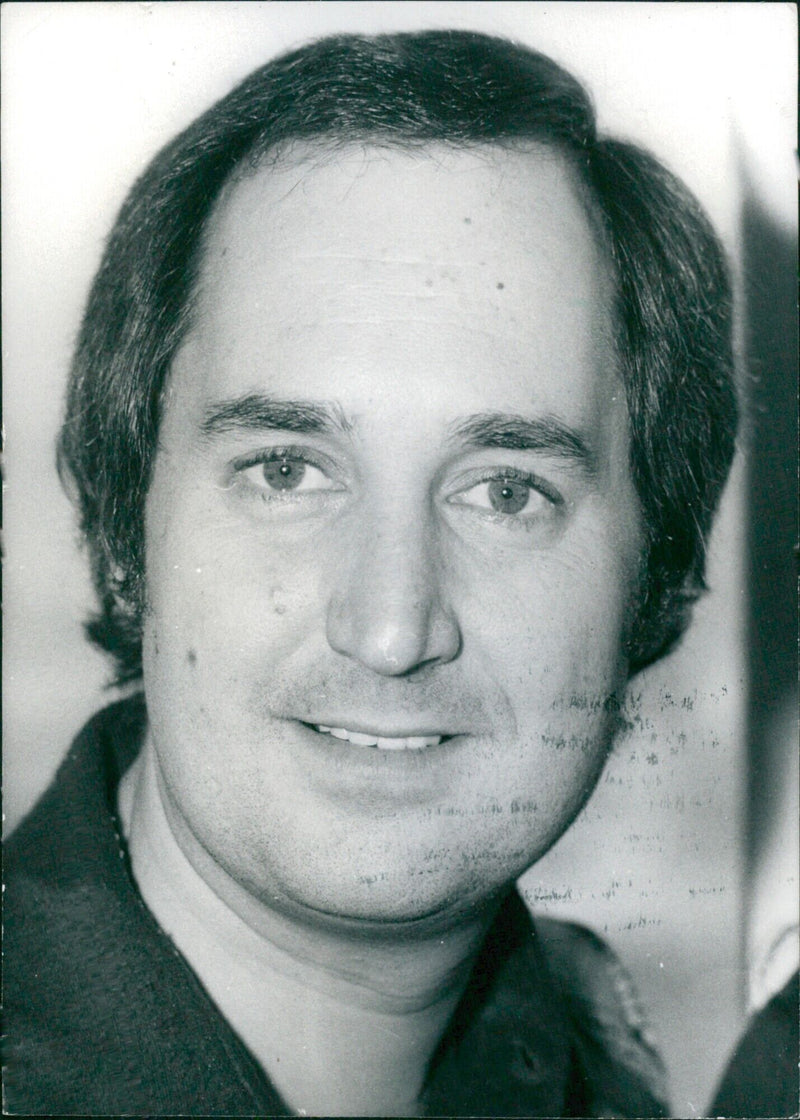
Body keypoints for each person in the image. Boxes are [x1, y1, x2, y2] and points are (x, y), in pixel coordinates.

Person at [3, 30, 738, 1117]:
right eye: (287, 470)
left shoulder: (605, 1063)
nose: (391, 628)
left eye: (503, 491)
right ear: (125, 532)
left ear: (653, 572)